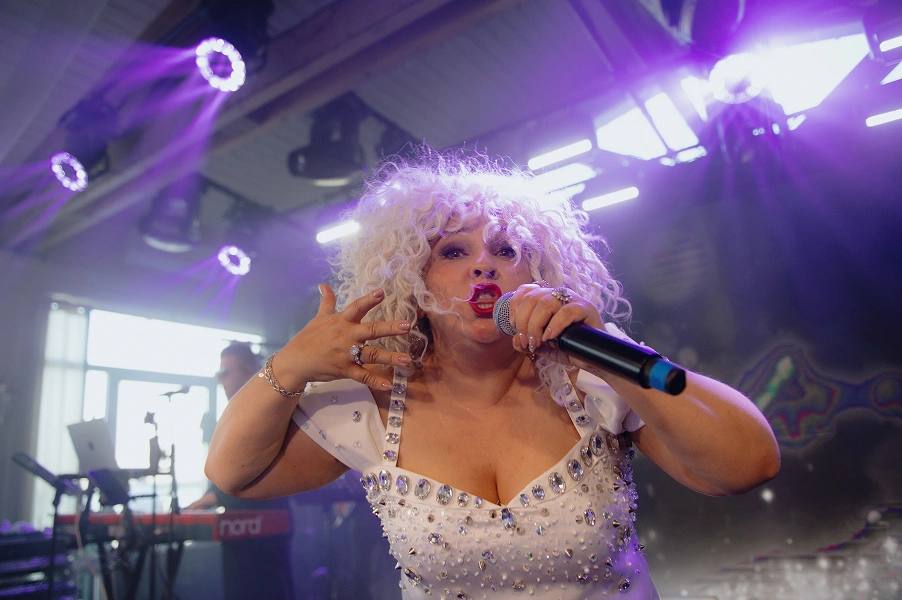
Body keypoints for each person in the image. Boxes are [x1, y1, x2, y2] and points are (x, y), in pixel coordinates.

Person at [205, 148, 781, 599]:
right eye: (454, 252)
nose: (484, 263)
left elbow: (748, 465)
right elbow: (232, 474)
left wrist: (610, 352)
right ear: (414, 279)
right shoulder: (374, 402)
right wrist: (288, 366)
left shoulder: (589, 381)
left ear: (537, 274)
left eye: (505, 250)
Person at [186, 342, 294, 600]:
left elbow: (255, 468)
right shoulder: (234, 412)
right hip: (240, 528)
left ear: (248, 371)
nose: (219, 379)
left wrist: (209, 499)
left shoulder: (267, 407)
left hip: (264, 529)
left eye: (225, 372)